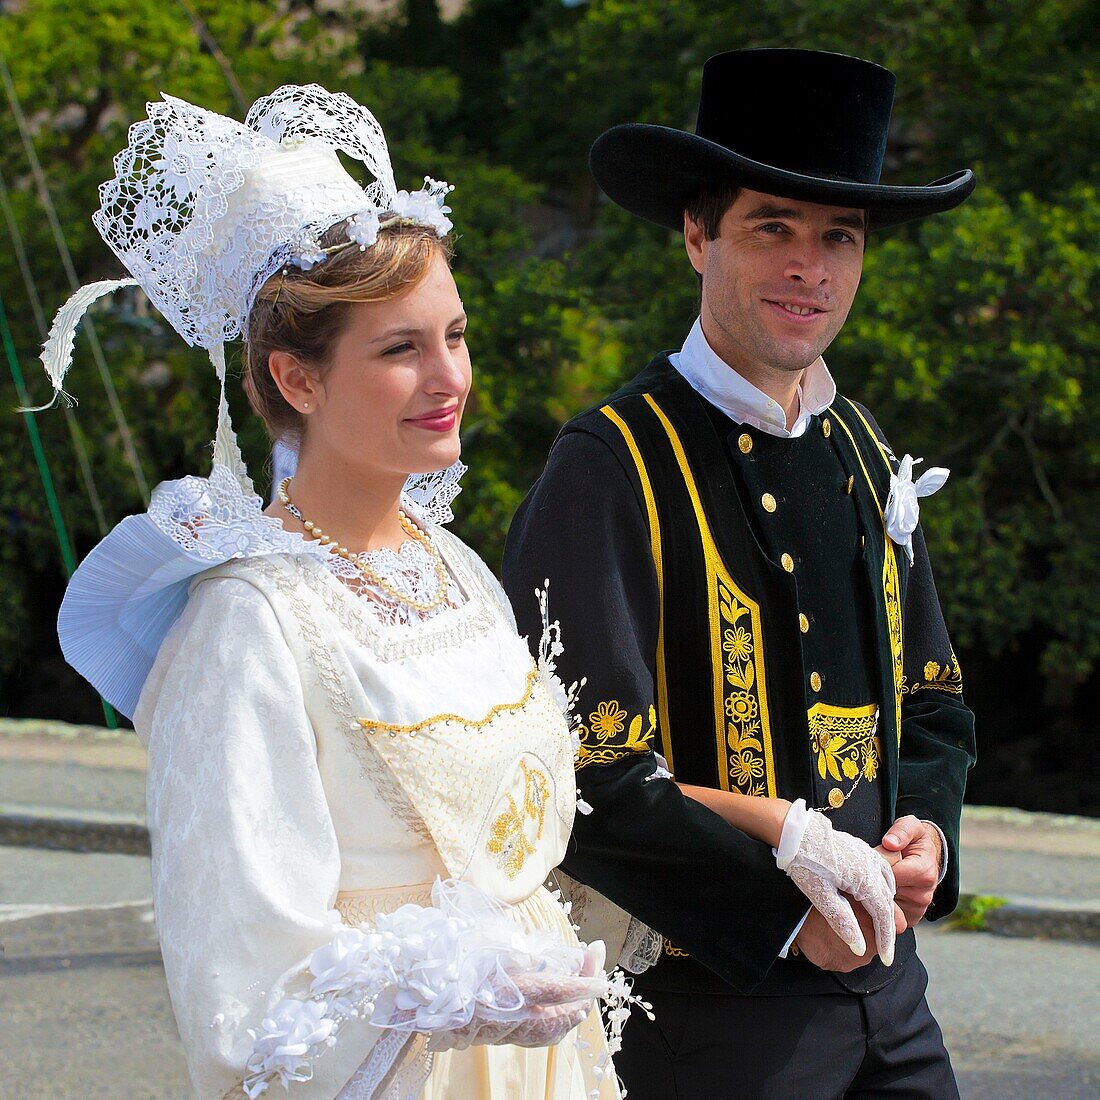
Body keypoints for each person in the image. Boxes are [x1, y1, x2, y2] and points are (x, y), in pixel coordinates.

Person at [40, 83, 898, 1100]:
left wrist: (781, 830)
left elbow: (552, 815)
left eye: (453, 335)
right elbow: (244, 982)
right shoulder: (248, 621)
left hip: (544, 1067)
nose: (447, 376)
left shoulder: (452, 571)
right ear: (298, 378)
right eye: (400, 348)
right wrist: (447, 986)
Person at [502, 48, 978, 1099]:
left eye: (836, 237)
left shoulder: (859, 445)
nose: (808, 265)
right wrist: (780, 910)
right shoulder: (611, 461)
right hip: (702, 1013)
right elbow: (570, 770)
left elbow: (931, 700)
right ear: (694, 233)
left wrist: (923, 835)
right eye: (772, 227)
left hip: (890, 999)